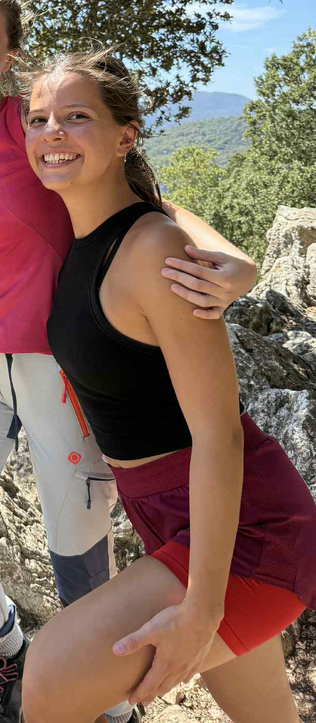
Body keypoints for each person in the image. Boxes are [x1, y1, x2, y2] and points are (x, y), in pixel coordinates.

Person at [0, 0, 260, 723]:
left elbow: (145, 198)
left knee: (79, 572)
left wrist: (235, 262)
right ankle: (3, 649)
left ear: (11, 55)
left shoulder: (32, 122)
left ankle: (109, 709)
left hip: (60, 371)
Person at [19, 50, 316, 723]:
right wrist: (238, 260)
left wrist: (201, 607)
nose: (52, 131)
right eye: (38, 119)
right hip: (176, 519)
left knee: (51, 678)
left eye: (76, 116)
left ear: (125, 135)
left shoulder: (152, 249)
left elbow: (219, 434)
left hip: (247, 531)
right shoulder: (95, 231)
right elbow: (167, 205)